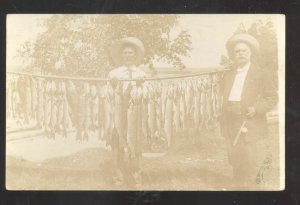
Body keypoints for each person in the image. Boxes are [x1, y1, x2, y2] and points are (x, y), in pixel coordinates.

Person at [220, 33, 277, 189]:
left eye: (244, 50)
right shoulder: (229, 74)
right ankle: (239, 190)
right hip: (230, 122)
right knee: (234, 159)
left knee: (251, 160)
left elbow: (272, 97)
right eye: (237, 51)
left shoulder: (261, 73)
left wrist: (257, 109)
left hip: (250, 122)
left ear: (250, 52)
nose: (241, 53)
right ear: (233, 54)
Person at [107, 37, 146, 187]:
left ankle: (136, 178)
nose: (128, 55)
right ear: (121, 55)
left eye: (131, 53)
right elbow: (107, 94)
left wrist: (142, 85)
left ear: (135, 55)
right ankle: (118, 178)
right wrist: (112, 85)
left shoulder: (141, 74)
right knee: (117, 145)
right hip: (118, 112)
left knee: (134, 144)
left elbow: (146, 95)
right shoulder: (113, 73)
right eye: (125, 53)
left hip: (134, 112)